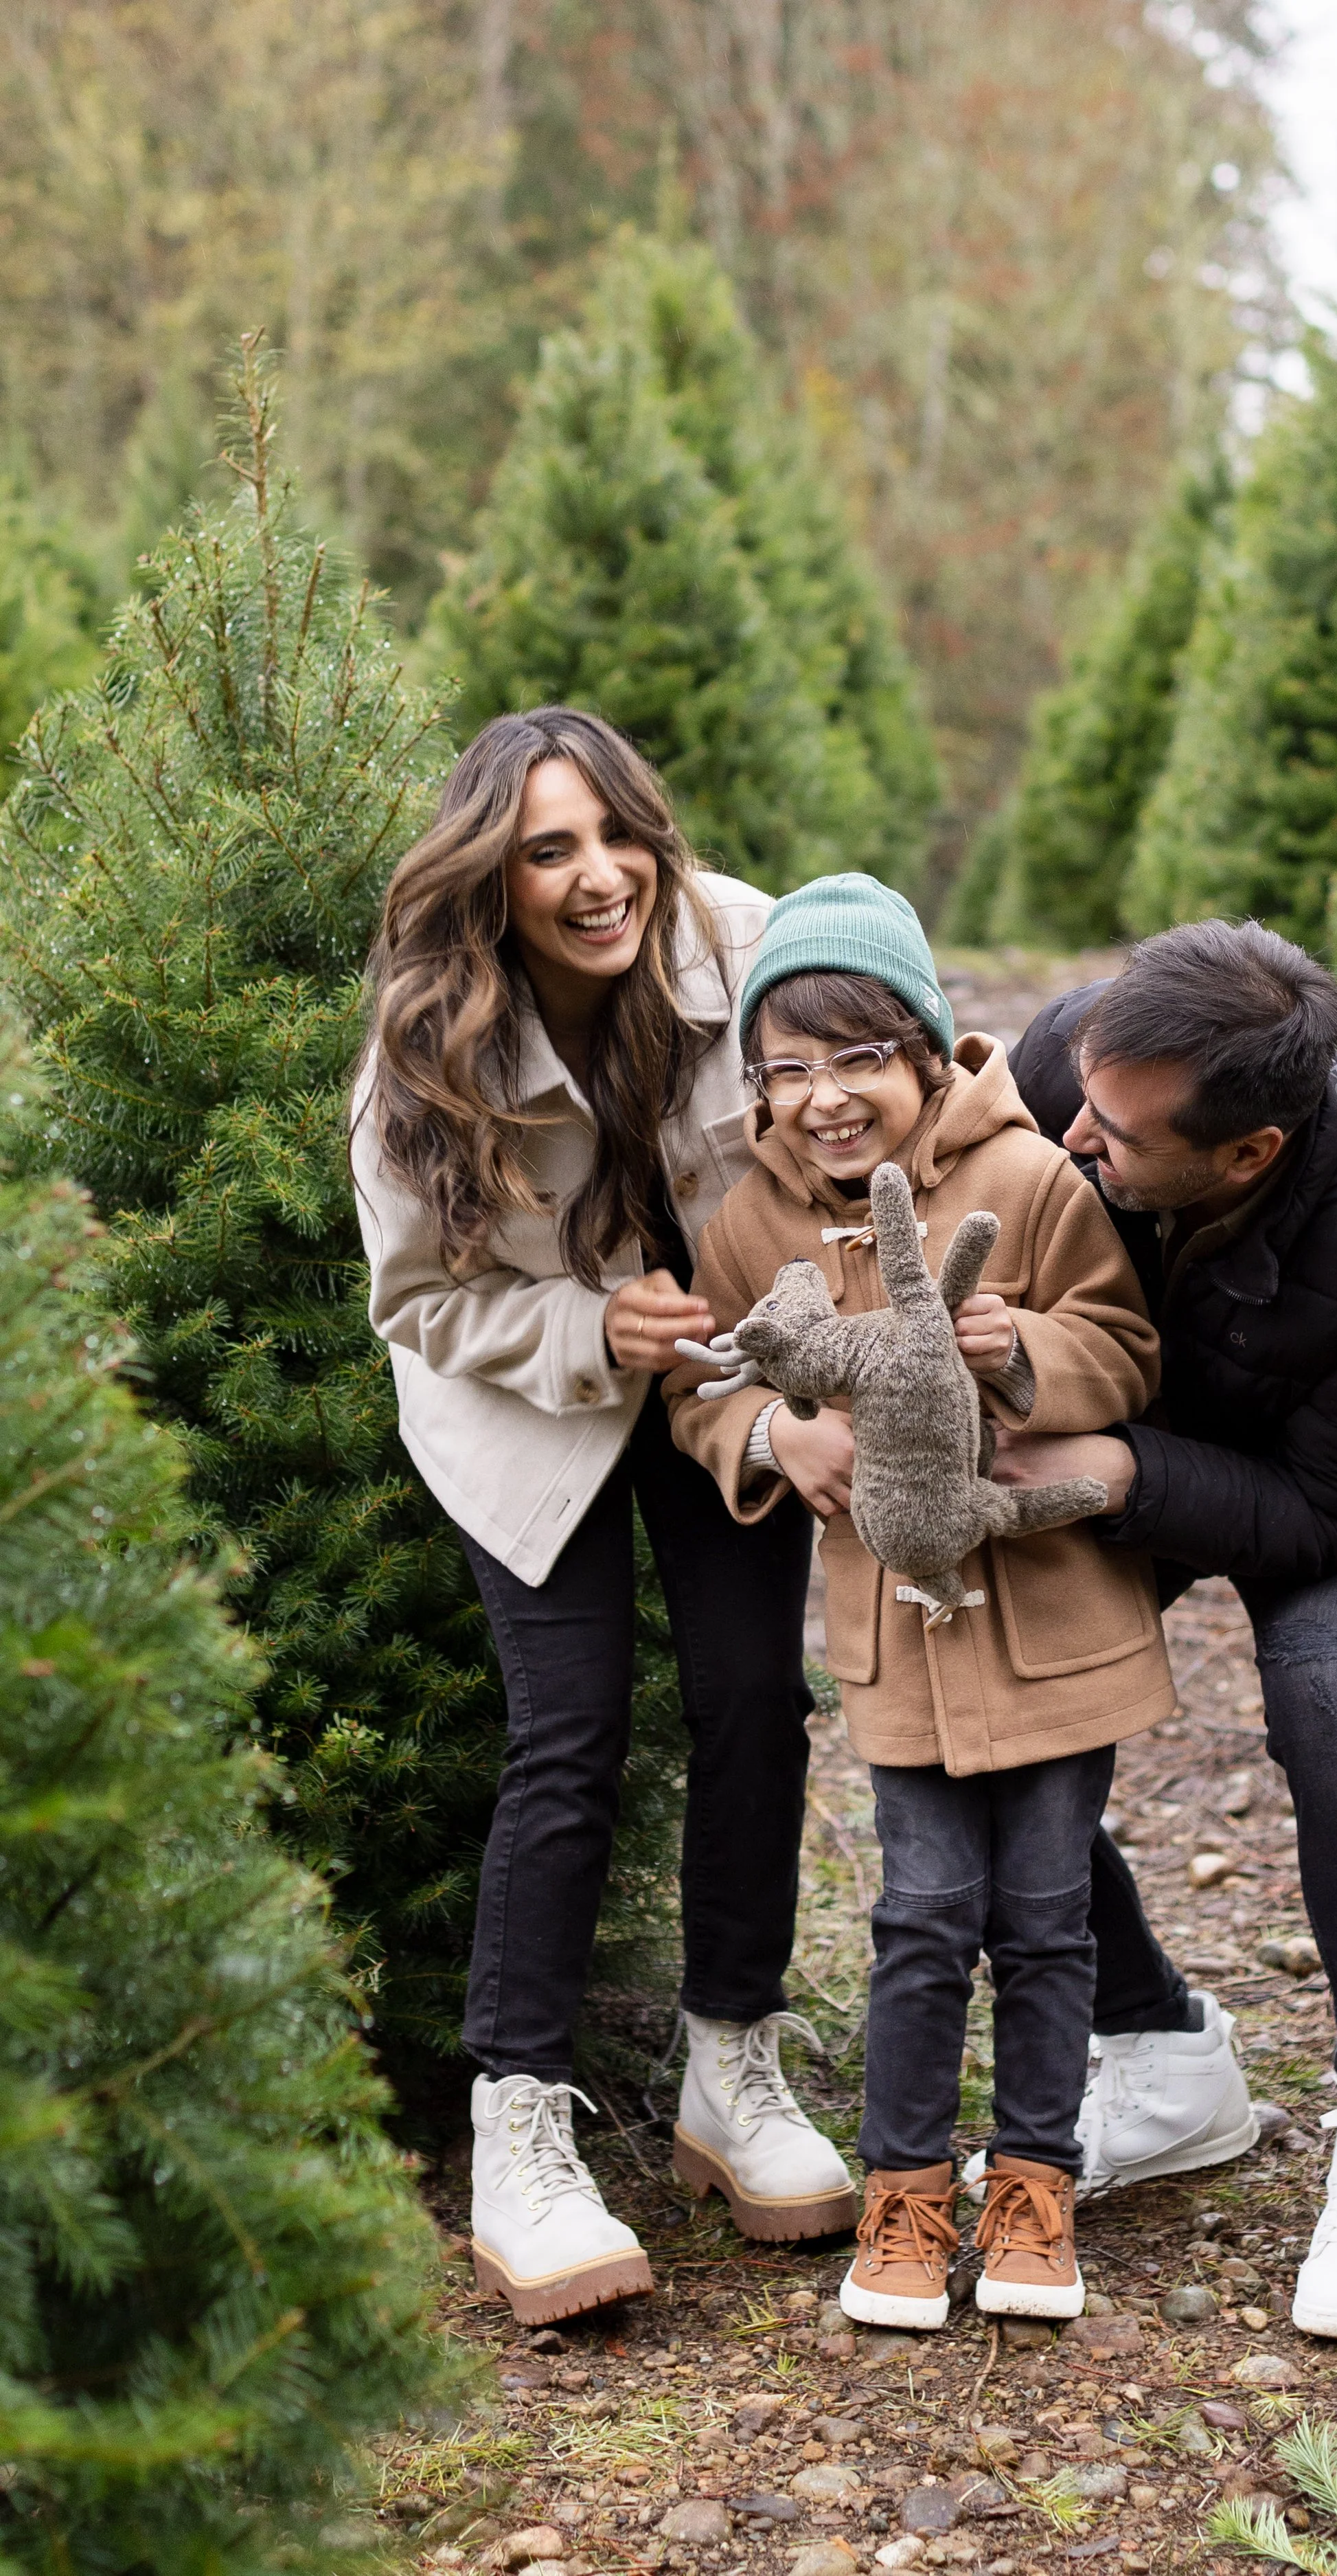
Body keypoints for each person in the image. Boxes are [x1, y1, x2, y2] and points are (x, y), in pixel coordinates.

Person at [350, 706, 854, 2325]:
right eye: (545, 851)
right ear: (489, 879)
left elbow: (870, 1104)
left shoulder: (752, 948)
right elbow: (418, 1302)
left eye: (612, 836)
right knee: (567, 1728)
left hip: (722, 1374)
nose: (593, 879)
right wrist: (584, 1331)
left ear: (654, 832)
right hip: (529, 1400)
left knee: (752, 1703)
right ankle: (519, 2131)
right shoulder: (425, 1048)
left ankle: (731, 2064)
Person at [665, 875, 1177, 2329]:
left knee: (1044, 1913)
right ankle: (900, 2198)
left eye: (855, 1060)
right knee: (920, 1912)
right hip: (899, 1635)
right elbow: (701, 1392)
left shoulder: (1028, 1184)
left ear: (923, 1051)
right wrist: (777, 1435)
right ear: (756, 1085)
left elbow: (1124, 1348)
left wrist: (1022, 1354)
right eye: (787, 1068)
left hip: (1053, 1624)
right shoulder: (744, 1220)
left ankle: (1029, 2189)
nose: (824, 1099)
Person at [995, 918, 1337, 2343]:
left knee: (1333, 1697)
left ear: (1245, 1154)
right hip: (1125, 1420)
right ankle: (1159, 2053)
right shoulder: (1077, 1067)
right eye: (1076, 1102)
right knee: (996, 1679)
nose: (1074, 1136)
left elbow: (1325, 1507)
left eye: (1118, 1135)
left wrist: (1117, 1476)